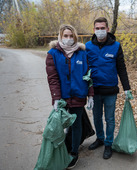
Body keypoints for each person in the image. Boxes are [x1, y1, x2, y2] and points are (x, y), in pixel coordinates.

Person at [46, 24, 94, 169]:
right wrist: (56, 98)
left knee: (76, 124)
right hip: (62, 98)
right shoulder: (52, 54)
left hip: (79, 96)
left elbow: (89, 75)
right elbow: (53, 78)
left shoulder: (82, 53)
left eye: (70, 36)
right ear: (60, 37)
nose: (68, 38)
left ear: (75, 37)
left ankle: (74, 152)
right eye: (65, 36)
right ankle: (61, 149)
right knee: (62, 125)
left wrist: (90, 95)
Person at [85, 17, 133, 159]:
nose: (100, 31)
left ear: (107, 29)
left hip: (110, 90)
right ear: (94, 30)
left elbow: (121, 68)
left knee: (110, 119)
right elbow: (82, 68)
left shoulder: (116, 46)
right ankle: (100, 138)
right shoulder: (87, 46)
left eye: (102, 28)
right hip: (94, 91)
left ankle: (108, 143)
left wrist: (127, 88)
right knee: (97, 117)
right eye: (97, 28)